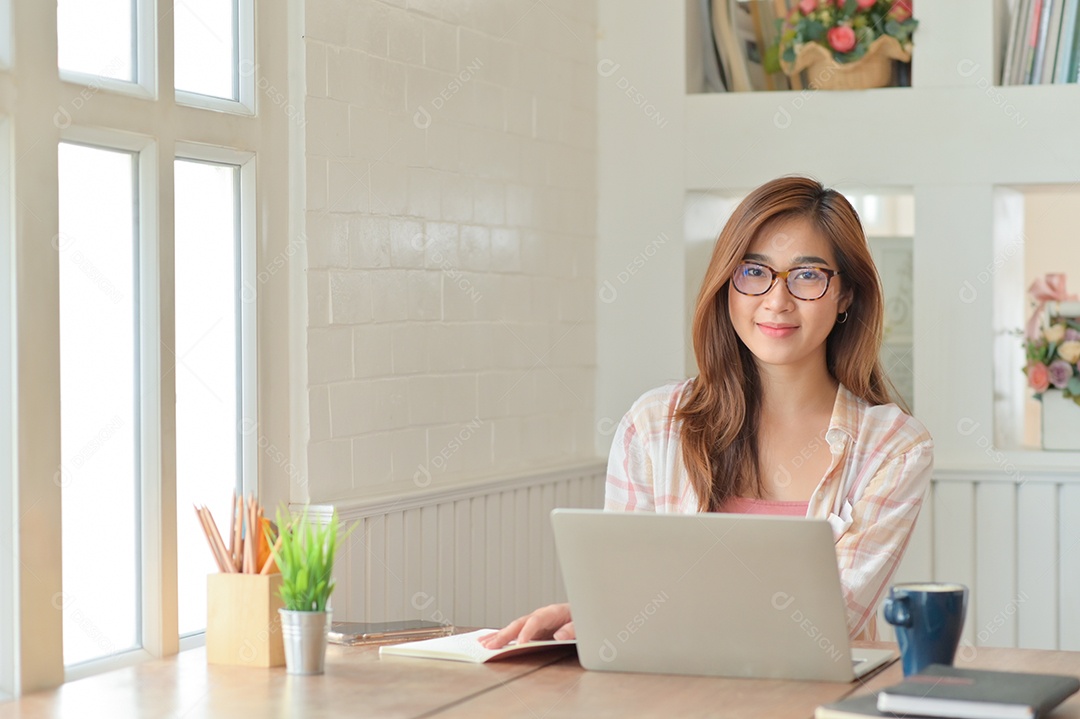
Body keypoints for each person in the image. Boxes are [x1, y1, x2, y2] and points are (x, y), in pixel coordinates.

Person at [479, 175, 933, 650]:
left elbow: (822, 621)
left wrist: (635, 614)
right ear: (727, 284)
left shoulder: (894, 449)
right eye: (754, 272)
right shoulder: (655, 425)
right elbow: (629, 593)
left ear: (845, 296)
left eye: (807, 276)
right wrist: (595, 615)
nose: (776, 301)